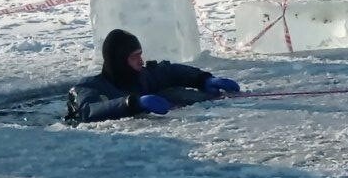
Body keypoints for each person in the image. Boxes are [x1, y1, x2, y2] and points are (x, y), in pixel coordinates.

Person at [66, 29, 240, 123]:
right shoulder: (90, 87)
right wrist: (132, 103)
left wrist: (202, 79)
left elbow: (170, 72)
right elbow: (89, 110)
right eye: (134, 57)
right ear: (119, 60)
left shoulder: (143, 76)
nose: (141, 61)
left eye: (140, 55)